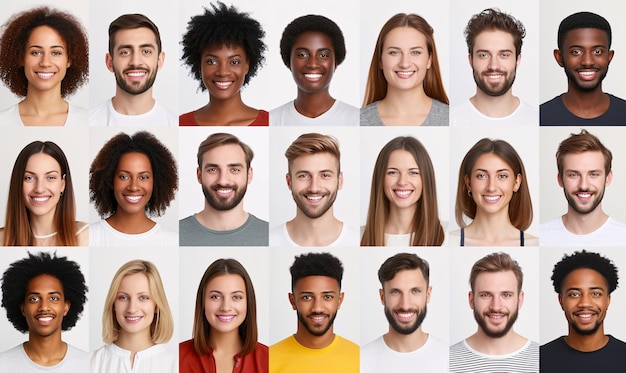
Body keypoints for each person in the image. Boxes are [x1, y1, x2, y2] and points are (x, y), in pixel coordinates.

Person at [180, 2, 268, 126]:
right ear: (200, 65)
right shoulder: (181, 123)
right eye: (212, 61)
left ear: (247, 66)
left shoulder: (269, 122)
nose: (223, 72)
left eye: (234, 62)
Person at [449, 252, 539, 372]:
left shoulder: (542, 359)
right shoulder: (447, 361)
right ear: (471, 300)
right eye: (485, 295)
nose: (496, 306)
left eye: (506, 295)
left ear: (520, 299)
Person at [270, 252, 358, 373]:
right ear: (293, 301)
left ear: (339, 300)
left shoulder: (360, 359)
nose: (317, 308)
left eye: (327, 297)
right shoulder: (269, 359)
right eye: (307, 297)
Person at [0, 251, 89, 371]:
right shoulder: (3, 365)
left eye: (53, 298)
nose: (44, 307)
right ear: (23, 308)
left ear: (66, 307)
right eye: (34, 299)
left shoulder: (88, 364)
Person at [0, 6, 88, 126]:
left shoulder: (87, 120)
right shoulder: (3, 121)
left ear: (69, 60)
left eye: (56, 53)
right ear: (21, 58)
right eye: (36, 52)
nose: (45, 63)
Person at [361, 253, 447, 372]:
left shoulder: (448, 359)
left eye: (415, 291)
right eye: (395, 292)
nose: (405, 305)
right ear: (382, 296)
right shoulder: (361, 361)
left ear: (428, 294)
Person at [541, 250, 626, 371]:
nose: (585, 303)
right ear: (561, 300)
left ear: (608, 299)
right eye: (574, 294)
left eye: (596, 294)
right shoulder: (539, 359)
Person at [89, 131, 178, 246]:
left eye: (143, 177)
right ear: (110, 180)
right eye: (124, 176)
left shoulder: (172, 241)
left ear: (155, 182)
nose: (134, 187)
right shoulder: (90, 237)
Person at [451, 8, 537, 126]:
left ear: (518, 60)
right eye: (484, 55)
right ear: (471, 60)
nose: (494, 65)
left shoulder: (536, 120)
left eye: (504, 55)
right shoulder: (453, 120)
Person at [269, 133, 359, 247]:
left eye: (325, 175)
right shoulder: (270, 241)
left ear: (339, 180)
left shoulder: (359, 241)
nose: (314, 188)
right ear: (289, 182)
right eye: (303, 176)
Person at [179, 133, 268, 246]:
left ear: (249, 175)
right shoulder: (176, 235)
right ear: (199, 175)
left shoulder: (268, 235)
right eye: (212, 170)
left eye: (234, 170)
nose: (223, 181)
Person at [180, 258, 268, 373]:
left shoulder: (269, 359)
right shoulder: (177, 357)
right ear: (202, 302)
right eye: (216, 297)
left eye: (236, 297)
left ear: (248, 303)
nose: (225, 307)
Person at [540, 130, 626, 245]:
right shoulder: (541, 237)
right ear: (560, 179)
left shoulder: (622, 237)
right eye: (573, 175)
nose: (584, 185)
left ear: (608, 178)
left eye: (594, 174)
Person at [361, 13, 449, 126]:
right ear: (380, 60)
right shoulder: (359, 120)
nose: (405, 63)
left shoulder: (451, 118)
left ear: (429, 60)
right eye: (394, 52)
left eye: (415, 52)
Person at [270, 15, 359, 126]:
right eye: (302, 55)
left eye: (323, 55)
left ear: (335, 62)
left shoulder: (357, 119)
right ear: (288, 61)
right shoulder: (272, 120)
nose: (313, 64)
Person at [89, 14, 177, 127]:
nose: (135, 62)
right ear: (109, 62)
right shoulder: (91, 121)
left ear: (160, 60)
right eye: (125, 52)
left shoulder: (173, 123)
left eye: (146, 51)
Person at [541, 11, 626, 125]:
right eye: (576, 52)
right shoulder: (541, 116)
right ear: (559, 57)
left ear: (609, 57)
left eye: (597, 51)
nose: (587, 62)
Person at [91, 260, 175, 373]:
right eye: (123, 297)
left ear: (156, 306)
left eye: (143, 297)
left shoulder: (174, 365)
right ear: (113, 304)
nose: (132, 309)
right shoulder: (91, 363)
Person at [361, 136, 444, 246]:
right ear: (380, 178)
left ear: (426, 179)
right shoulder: (359, 237)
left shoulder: (448, 236)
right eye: (393, 172)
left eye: (413, 173)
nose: (402, 182)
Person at [452, 138, 537, 246]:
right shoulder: (449, 241)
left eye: (502, 176)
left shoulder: (534, 244)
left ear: (516, 182)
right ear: (468, 183)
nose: (491, 187)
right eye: (481, 176)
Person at [1, 141, 88, 246]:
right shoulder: (2, 240)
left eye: (51, 177)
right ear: (18, 183)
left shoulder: (86, 236)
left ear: (62, 184)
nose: (39, 189)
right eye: (29, 178)